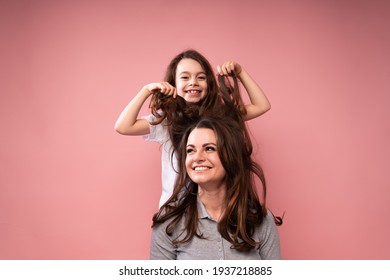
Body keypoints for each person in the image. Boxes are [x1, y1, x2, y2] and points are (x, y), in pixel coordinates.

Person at [115, 49, 271, 207]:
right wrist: (146, 90)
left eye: (201, 77)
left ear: (209, 83)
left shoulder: (221, 115)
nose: (193, 82)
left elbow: (261, 105)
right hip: (176, 210)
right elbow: (123, 127)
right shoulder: (167, 120)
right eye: (185, 77)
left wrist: (240, 72)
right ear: (173, 84)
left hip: (217, 208)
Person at [150, 116, 281, 260]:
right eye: (190, 150)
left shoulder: (261, 219)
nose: (197, 157)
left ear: (231, 156)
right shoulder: (169, 221)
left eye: (209, 148)